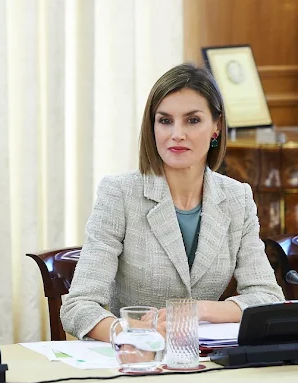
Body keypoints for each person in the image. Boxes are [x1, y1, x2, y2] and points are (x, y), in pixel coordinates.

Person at [60, 63, 284, 342]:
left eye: (192, 120)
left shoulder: (237, 198)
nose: (177, 133)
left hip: (206, 363)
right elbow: (77, 306)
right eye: (165, 120)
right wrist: (137, 333)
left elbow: (268, 297)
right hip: (138, 359)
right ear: (152, 127)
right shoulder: (119, 194)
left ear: (215, 127)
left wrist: (199, 310)